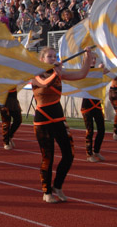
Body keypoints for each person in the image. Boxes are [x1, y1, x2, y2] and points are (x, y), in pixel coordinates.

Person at [32, 47, 92, 203]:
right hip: (43, 120)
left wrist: (88, 57)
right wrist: (56, 73)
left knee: (69, 154)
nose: (53, 59)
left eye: (54, 56)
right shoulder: (34, 74)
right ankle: (46, 192)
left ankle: (57, 186)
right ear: (42, 60)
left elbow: (81, 74)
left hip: (58, 118)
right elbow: (44, 84)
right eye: (49, 57)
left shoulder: (59, 73)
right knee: (48, 157)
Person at [81, 54, 106, 162]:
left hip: (97, 104)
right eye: (91, 58)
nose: (94, 60)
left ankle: (96, 151)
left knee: (102, 129)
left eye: (95, 58)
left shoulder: (97, 71)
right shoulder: (84, 71)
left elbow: (110, 70)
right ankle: (89, 153)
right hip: (87, 105)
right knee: (89, 130)